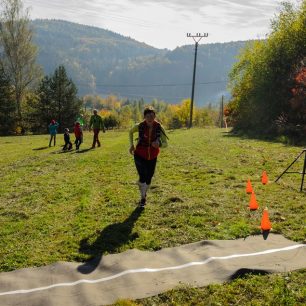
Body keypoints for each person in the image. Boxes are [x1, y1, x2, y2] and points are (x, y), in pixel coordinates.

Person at [129, 106, 168, 207]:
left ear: (155, 116)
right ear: (144, 117)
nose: (150, 118)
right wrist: (131, 145)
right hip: (139, 154)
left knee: (149, 178)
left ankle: (144, 192)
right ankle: (143, 198)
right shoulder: (139, 126)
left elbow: (165, 144)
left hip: (153, 156)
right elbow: (130, 132)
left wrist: (158, 144)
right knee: (143, 176)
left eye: (152, 115)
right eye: (148, 116)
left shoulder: (159, 127)